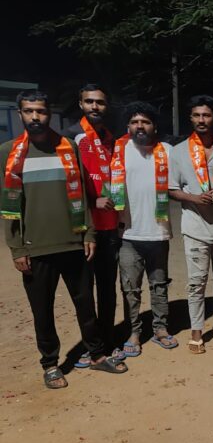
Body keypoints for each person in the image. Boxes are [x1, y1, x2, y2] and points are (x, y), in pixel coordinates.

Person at [1, 90, 127, 388]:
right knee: (42, 310)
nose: (35, 117)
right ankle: (50, 364)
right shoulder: (8, 151)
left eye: (41, 111)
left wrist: (90, 233)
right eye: (29, 111)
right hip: (35, 247)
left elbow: (82, 195)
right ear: (20, 114)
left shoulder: (68, 147)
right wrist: (16, 247)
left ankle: (96, 355)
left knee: (85, 305)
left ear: (49, 114)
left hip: (74, 243)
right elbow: (7, 205)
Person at [169, 95, 213, 354]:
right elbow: (172, 189)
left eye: (206, 115)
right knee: (196, 282)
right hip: (195, 227)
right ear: (190, 118)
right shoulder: (178, 151)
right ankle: (196, 328)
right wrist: (195, 197)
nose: (201, 120)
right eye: (197, 115)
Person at [112, 101, 178, 355]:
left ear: (154, 126)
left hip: (158, 231)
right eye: (135, 122)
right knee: (130, 287)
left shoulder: (168, 151)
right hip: (127, 233)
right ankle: (134, 331)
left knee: (159, 284)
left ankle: (160, 328)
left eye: (146, 122)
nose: (140, 126)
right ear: (128, 126)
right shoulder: (117, 150)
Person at [65, 84, 121, 366]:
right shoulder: (71, 136)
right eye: (89, 102)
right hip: (85, 228)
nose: (95, 107)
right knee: (85, 292)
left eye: (100, 102)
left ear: (106, 105)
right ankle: (92, 346)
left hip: (110, 226)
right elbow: (67, 183)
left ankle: (108, 340)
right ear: (80, 104)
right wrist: (92, 201)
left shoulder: (110, 137)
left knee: (107, 289)